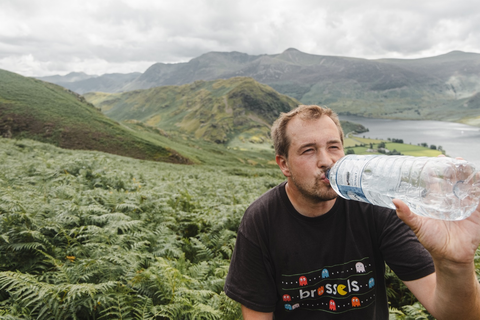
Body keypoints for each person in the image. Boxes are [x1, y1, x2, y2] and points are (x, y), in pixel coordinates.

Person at [224, 105, 480, 319]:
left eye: (334, 147)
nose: (326, 160)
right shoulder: (261, 220)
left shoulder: (373, 207)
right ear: (284, 164)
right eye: (308, 150)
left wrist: (454, 264)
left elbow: (456, 315)